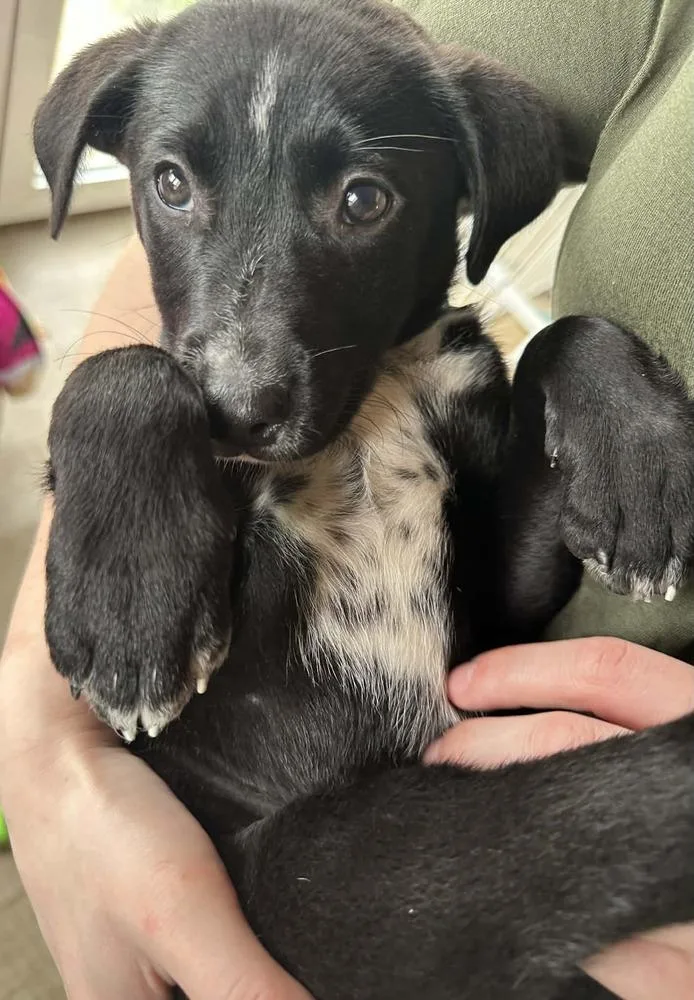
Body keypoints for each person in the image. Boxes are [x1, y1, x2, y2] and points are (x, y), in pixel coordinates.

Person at [1, 1, 693, 997]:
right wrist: (111, 410)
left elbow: (514, 581)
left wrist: (582, 365)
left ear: (461, 196)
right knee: (317, 864)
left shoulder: (451, 367)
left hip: (464, 834)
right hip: (272, 849)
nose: (235, 367)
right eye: (175, 184)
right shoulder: (167, 411)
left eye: (360, 201)